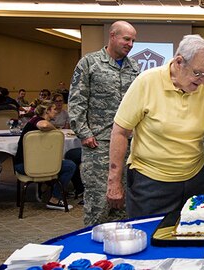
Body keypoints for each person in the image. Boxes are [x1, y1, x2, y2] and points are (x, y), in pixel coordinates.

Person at [106, 34, 204, 219]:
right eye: (198, 73)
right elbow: (120, 132)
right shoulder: (146, 82)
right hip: (151, 182)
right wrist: (114, 181)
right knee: (153, 238)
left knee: (195, 235)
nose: (203, 81)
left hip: (195, 180)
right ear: (179, 62)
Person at [68, 20, 140, 226]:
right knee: (99, 203)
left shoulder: (134, 67)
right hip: (99, 144)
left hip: (128, 144)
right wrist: (84, 133)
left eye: (133, 40)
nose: (130, 44)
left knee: (124, 204)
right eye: (126, 39)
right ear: (112, 36)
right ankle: (92, 252)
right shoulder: (90, 63)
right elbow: (76, 101)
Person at [14, 100, 75, 210]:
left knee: (69, 165)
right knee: (70, 166)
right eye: (54, 109)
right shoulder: (36, 120)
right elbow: (44, 125)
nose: (56, 112)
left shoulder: (34, 121)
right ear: (47, 111)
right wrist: (55, 129)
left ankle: (51, 194)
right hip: (24, 165)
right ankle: (54, 198)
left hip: (35, 164)